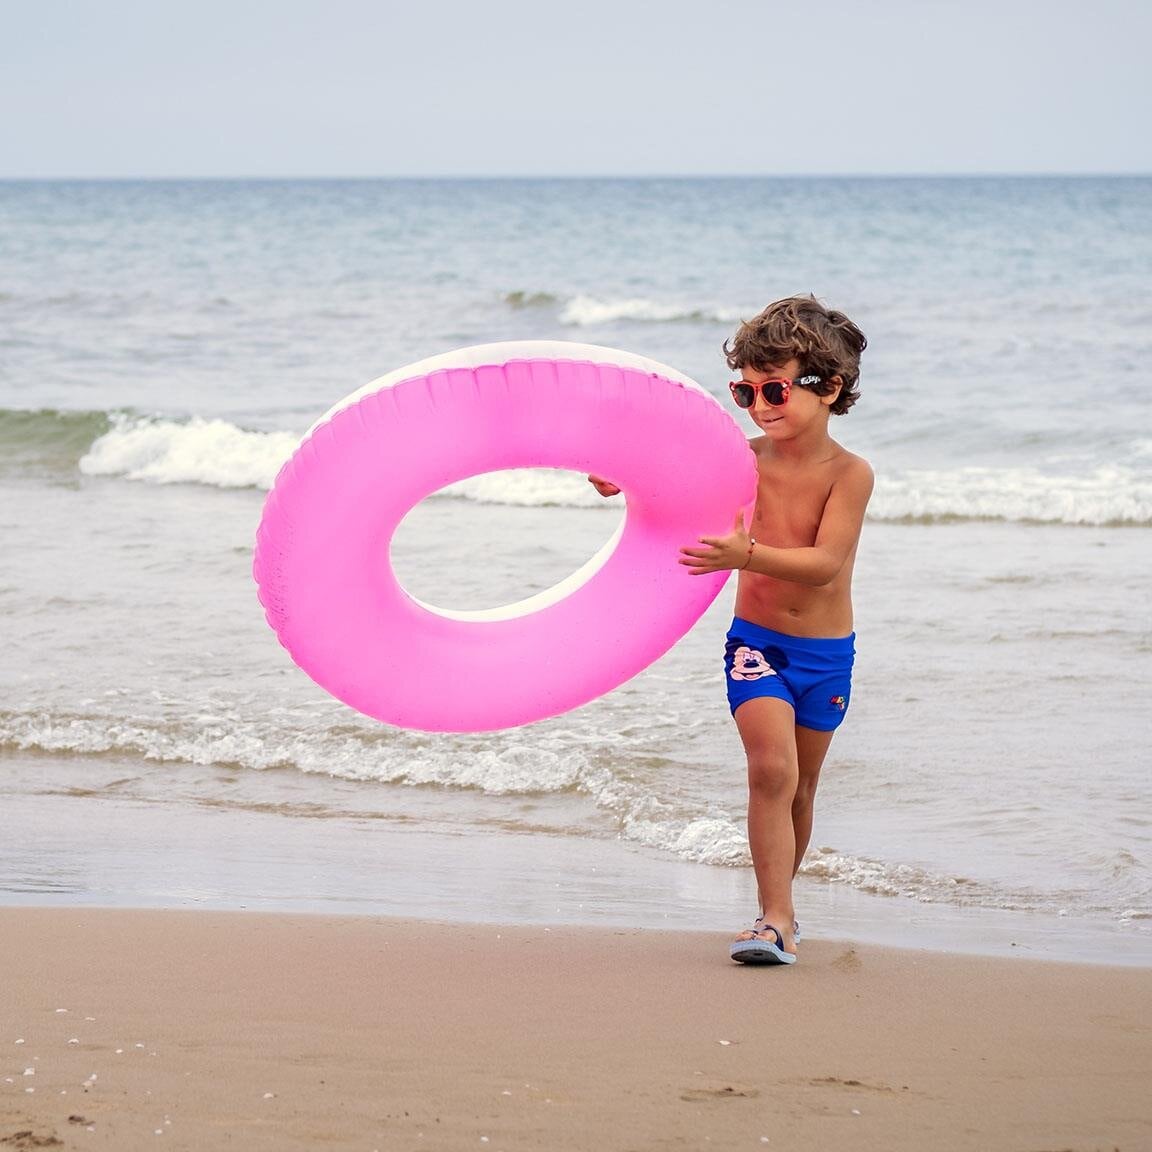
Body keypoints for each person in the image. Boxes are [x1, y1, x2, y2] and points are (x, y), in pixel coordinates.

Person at [589, 295, 872, 966]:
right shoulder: (738, 460)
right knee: (770, 771)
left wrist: (747, 556)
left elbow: (824, 563)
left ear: (827, 387)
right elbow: (667, 479)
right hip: (757, 645)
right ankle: (771, 919)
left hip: (827, 656)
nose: (759, 403)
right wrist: (619, 477)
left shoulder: (850, 475)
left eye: (773, 387)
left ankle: (785, 911)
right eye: (745, 390)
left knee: (801, 785)